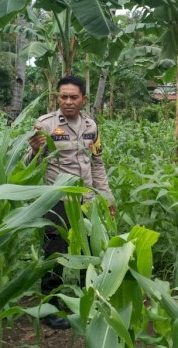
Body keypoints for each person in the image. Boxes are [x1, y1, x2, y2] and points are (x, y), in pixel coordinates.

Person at [25, 75, 116, 329]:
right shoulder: (44, 125)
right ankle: (51, 307)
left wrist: (106, 196)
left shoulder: (91, 126)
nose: (67, 101)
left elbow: (97, 165)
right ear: (57, 98)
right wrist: (33, 151)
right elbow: (27, 165)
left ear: (83, 99)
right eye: (63, 96)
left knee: (89, 250)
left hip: (86, 200)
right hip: (58, 200)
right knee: (55, 252)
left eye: (73, 97)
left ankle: (84, 299)